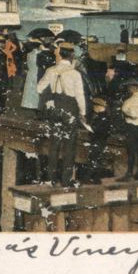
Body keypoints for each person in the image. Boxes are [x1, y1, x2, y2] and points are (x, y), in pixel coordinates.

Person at [36, 43, 92, 186]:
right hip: (70, 107)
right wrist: (83, 113)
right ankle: (66, 179)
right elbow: (80, 95)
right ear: (71, 56)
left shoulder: (51, 70)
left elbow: (39, 88)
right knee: (69, 144)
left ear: (60, 55)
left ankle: (50, 178)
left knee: (54, 143)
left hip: (55, 106)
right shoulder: (75, 73)